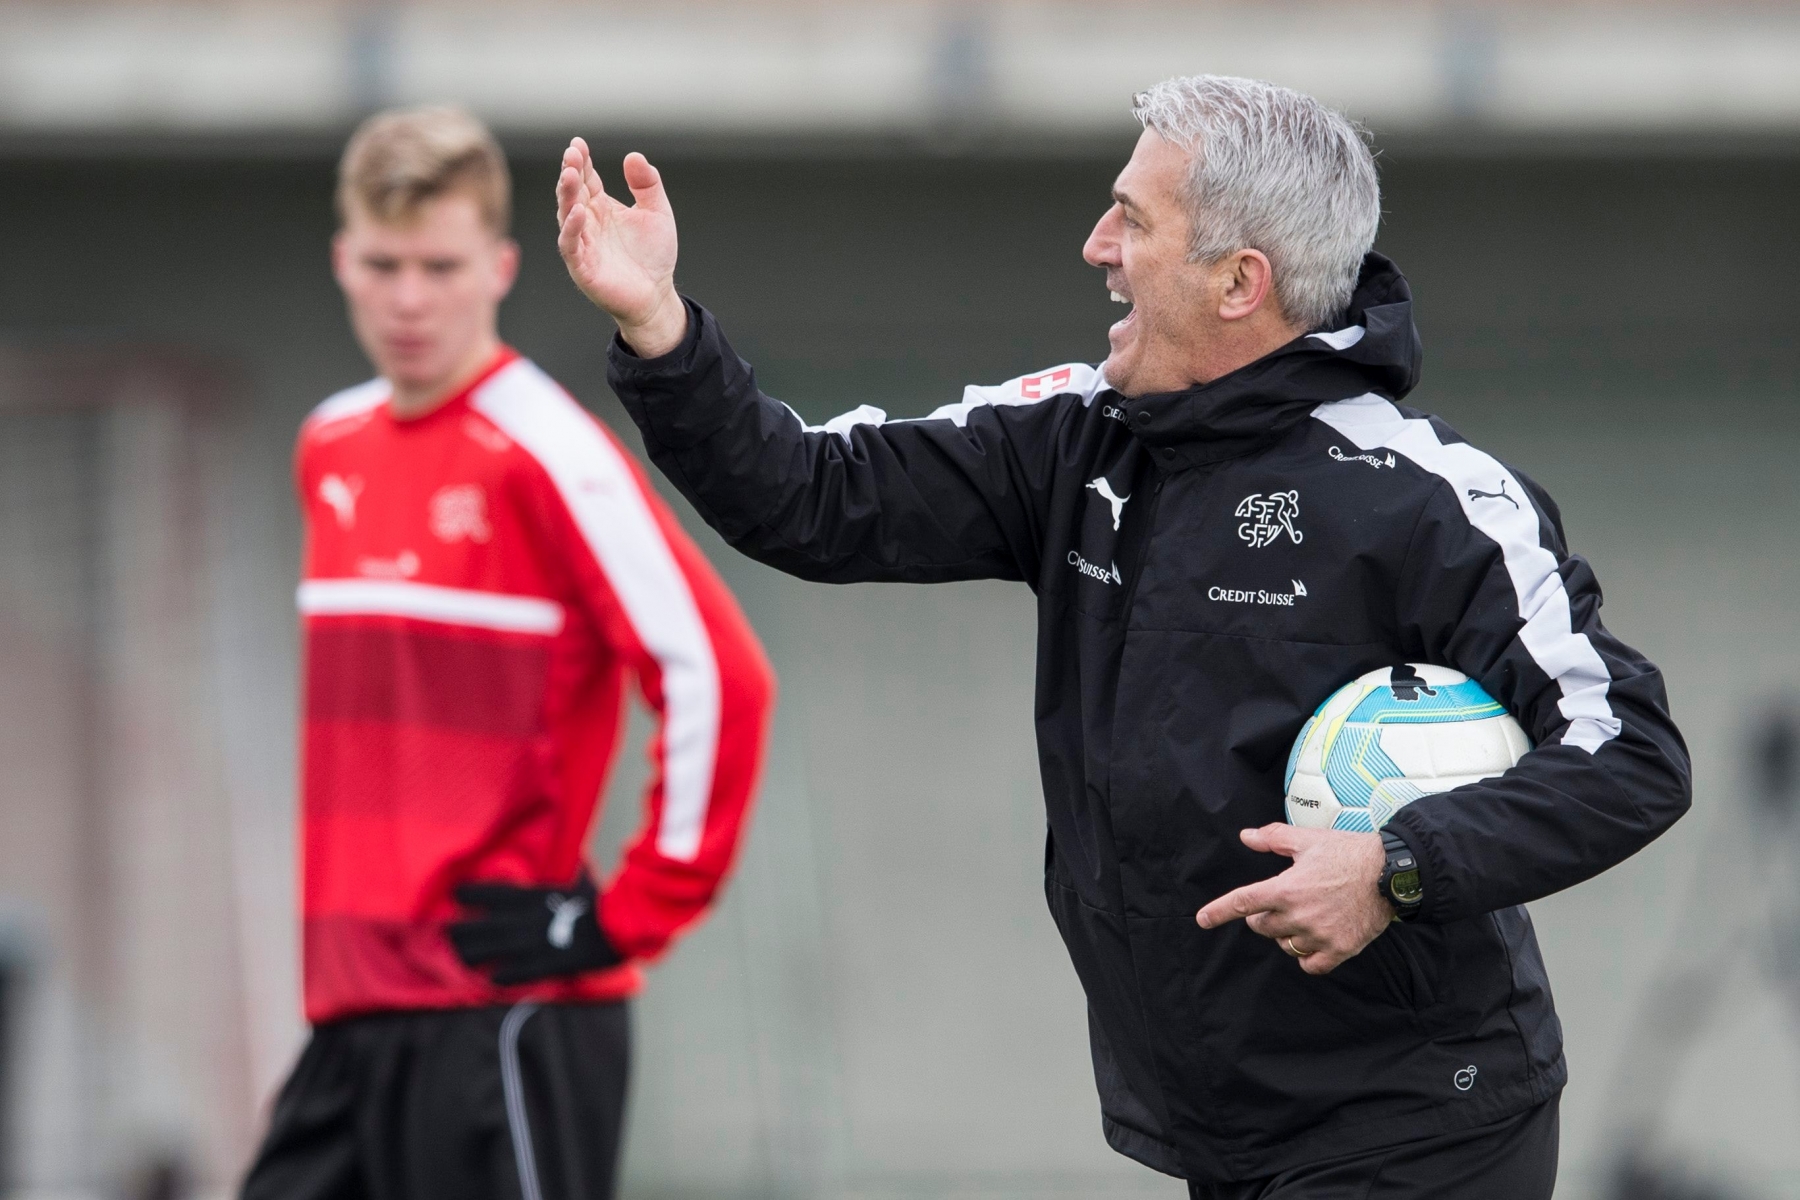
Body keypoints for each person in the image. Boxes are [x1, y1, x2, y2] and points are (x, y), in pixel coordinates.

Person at [553, 75, 1692, 1198]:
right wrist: (659, 327)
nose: (1097, 244)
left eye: (1133, 219)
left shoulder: (1433, 500)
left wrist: (1392, 868)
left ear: (1241, 282)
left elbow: (1630, 751)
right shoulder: (1071, 436)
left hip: (1422, 1126)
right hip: (1223, 1131)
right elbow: (806, 495)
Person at [242, 106, 776, 1200]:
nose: (407, 297)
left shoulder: (550, 451)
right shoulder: (327, 444)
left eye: (438, 265)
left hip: (502, 1020)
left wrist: (626, 913)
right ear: (344, 259)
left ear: (498, 265)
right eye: (382, 263)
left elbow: (717, 673)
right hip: (348, 1018)